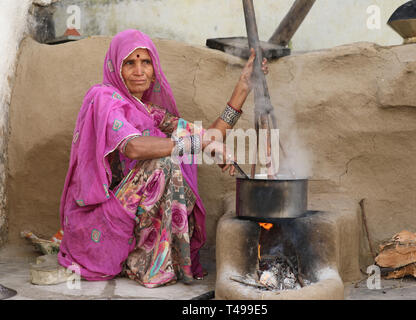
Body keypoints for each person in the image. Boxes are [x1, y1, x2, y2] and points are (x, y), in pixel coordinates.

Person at [57, 29, 268, 288]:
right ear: (115, 67)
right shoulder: (104, 98)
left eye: (146, 62)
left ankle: (157, 257)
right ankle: (141, 262)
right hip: (103, 222)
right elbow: (132, 147)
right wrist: (194, 144)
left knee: (174, 157)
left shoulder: (152, 114)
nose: (139, 71)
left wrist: (243, 88)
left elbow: (210, 135)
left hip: (135, 216)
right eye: (130, 63)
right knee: (165, 162)